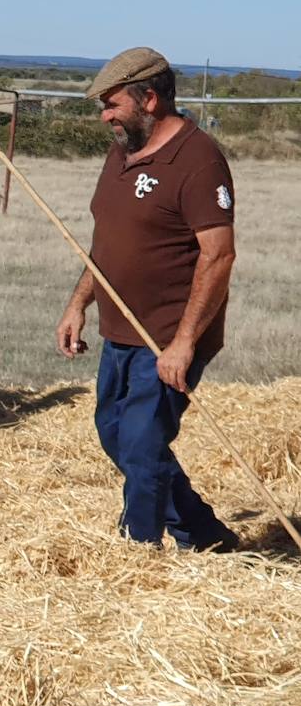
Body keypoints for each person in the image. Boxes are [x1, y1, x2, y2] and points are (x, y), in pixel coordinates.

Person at [55, 47, 239, 552]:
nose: (105, 116)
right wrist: (79, 304)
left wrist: (184, 343)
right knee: (116, 434)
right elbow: (106, 243)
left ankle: (139, 547)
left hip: (166, 338)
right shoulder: (121, 154)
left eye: (112, 105)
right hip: (118, 331)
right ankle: (203, 534)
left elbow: (219, 257)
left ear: (150, 99)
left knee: (140, 441)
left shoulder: (199, 162)